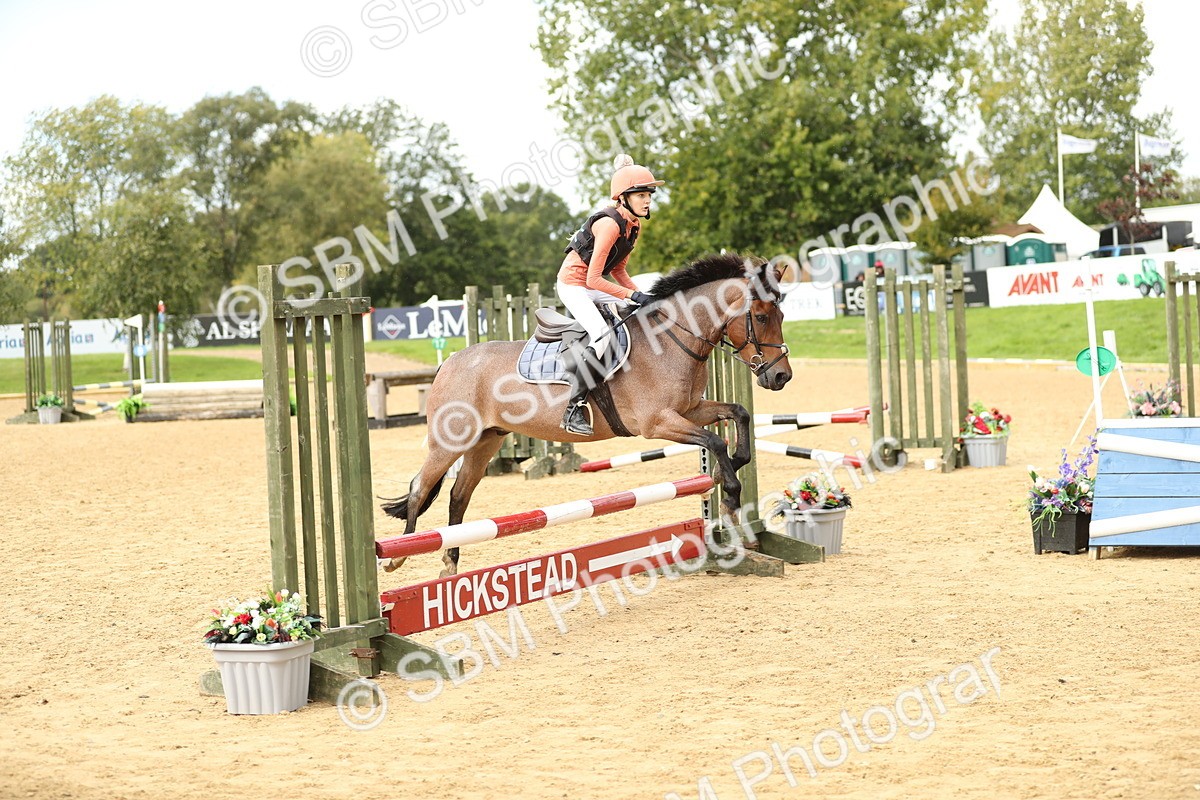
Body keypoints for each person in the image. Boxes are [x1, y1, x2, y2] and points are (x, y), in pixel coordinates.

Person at [555, 154, 664, 435]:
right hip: (573, 285)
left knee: (641, 312)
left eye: (649, 195)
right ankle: (573, 408)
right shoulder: (610, 225)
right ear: (624, 198)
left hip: (593, 286)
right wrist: (633, 296)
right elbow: (593, 278)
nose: (647, 201)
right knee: (602, 335)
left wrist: (643, 297)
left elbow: (618, 271)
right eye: (641, 195)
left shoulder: (633, 226)